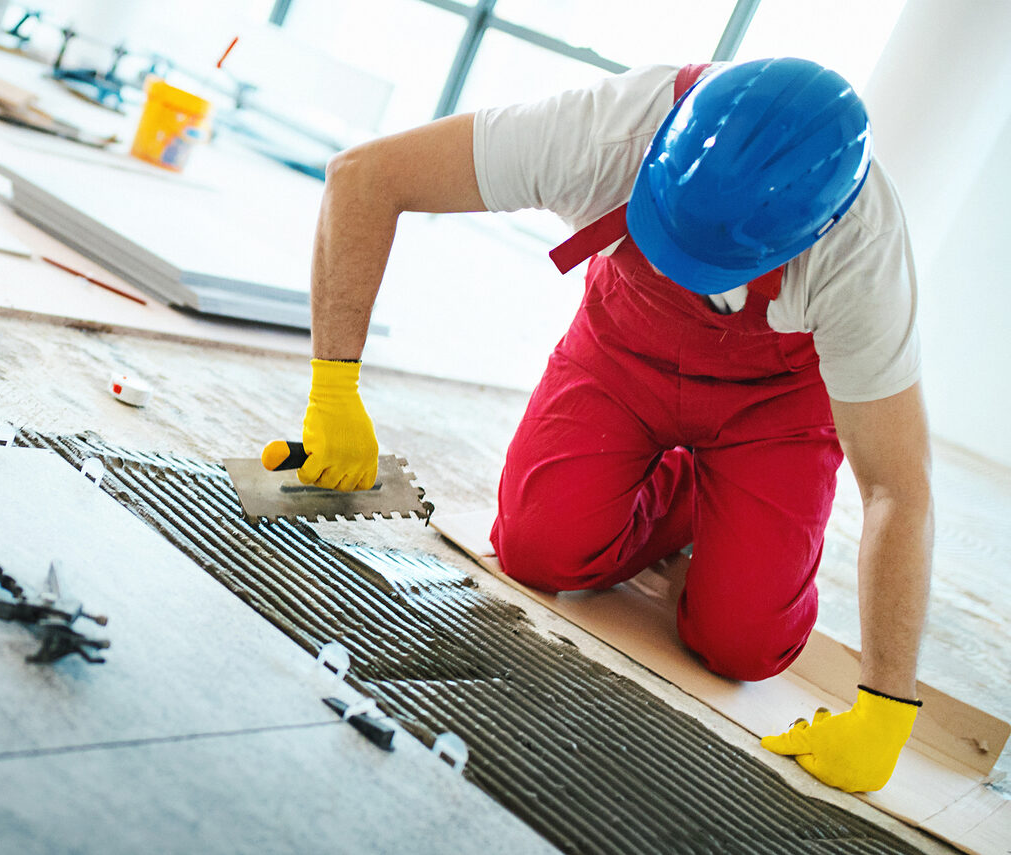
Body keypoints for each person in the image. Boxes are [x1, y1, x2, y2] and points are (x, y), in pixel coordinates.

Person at [282, 58, 931, 793]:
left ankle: (711, 499)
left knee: (744, 646)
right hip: (628, 349)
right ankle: (687, 490)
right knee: (537, 549)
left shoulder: (864, 253)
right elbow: (364, 176)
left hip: (773, 405)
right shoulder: (606, 130)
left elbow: (896, 489)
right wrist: (334, 388)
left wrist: (885, 705)